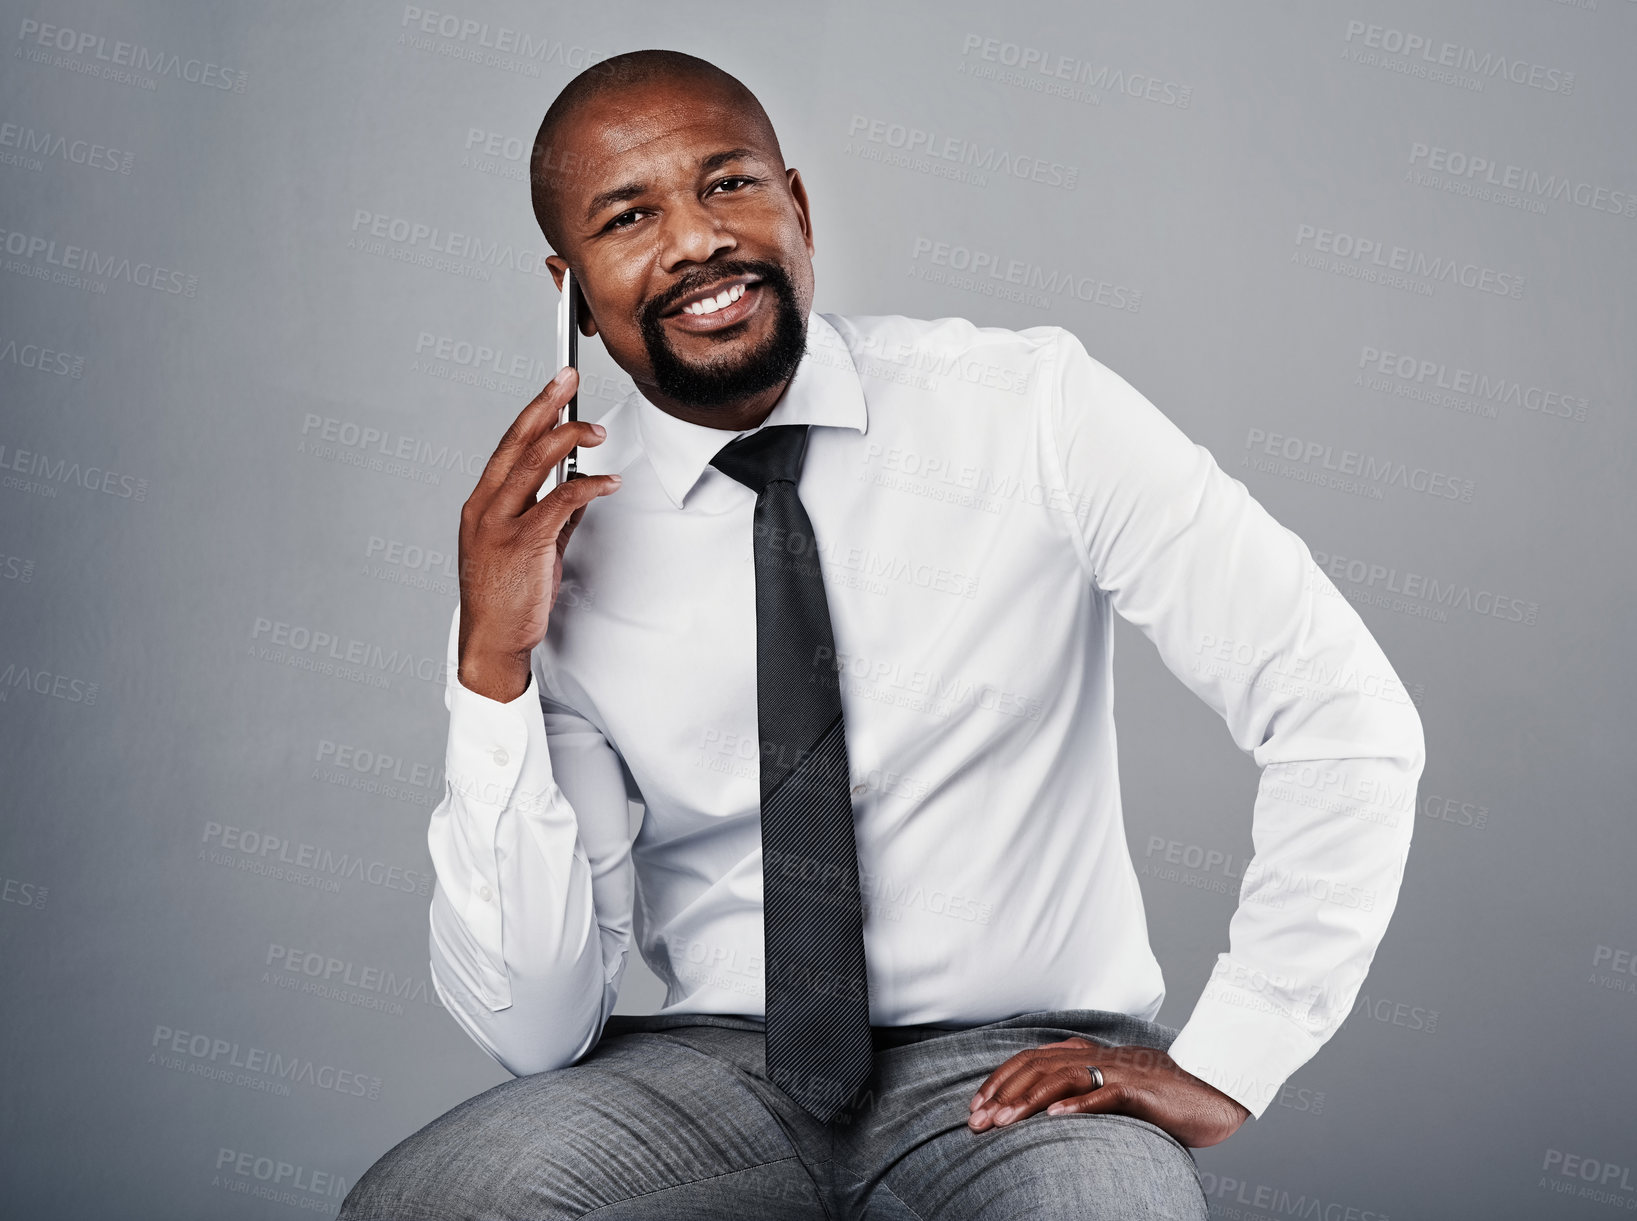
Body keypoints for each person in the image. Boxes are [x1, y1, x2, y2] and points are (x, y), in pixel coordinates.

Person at [341, 48, 1424, 1221]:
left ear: (796, 208)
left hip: (1025, 1065)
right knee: (433, 1205)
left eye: (727, 186)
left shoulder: (1029, 411)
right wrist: (491, 667)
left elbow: (1337, 709)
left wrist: (1234, 1052)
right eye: (629, 216)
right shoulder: (551, 554)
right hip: (713, 1067)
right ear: (570, 292)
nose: (696, 241)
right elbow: (536, 1026)